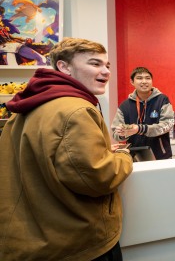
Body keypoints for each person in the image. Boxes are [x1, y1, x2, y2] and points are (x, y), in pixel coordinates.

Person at [0, 38, 134, 260]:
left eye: (107, 65)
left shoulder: (30, 105)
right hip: (75, 244)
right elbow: (96, 176)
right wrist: (122, 155)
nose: (106, 71)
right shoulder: (77, 110)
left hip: (29, 240)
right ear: (64, 67)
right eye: (95, 63)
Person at [111, 67, 174, 160]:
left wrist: (140, 129)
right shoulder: (124, 106)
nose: (144, 81)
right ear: (132, 82)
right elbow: (116, 133)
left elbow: (168, 124)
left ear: (152, 81)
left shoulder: (162, 99)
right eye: (139, 78)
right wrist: (123, 133)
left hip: (161, 155)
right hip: (134, 156)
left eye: (147, 78)